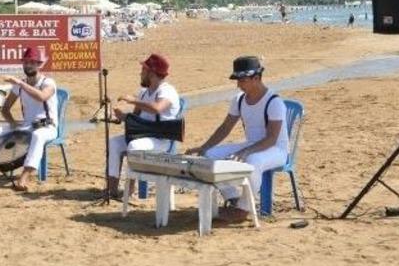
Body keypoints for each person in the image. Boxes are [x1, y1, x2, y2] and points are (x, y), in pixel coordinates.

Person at [185, 56, 288, 220]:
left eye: (243, 80)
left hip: (276, 150)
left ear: (256, 78)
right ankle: (233, 198)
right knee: (209, 155)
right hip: (252, 145)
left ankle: (244, 209)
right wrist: (204, 147)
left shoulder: (274, 102)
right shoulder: (239, 99)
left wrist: (245, 152)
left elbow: (271, 139)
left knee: (254, 160)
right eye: (238, 80)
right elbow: (225, 127)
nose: (239, 85)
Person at [0, 47, 58, 192]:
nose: (28, 65)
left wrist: (21, 83)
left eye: (32, 62)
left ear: (39, 64)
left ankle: (24, 177)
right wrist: (13, 124)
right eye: (26, 62)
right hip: (27, 126)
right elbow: (5, 109)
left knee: (38, 135)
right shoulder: (19, 85)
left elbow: (42, 96)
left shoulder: (48, 82)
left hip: (47, 127)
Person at [106, 53, 180, 197]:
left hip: (160, 139)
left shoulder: (167, 91)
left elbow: (157, 108)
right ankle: (112, 190)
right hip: (142, 134)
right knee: (114, 143)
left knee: (134, 146)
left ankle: (129, 190)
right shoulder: (144, 93)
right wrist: (122, 116)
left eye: (143, 70)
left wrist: (133, 100)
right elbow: (136, 119)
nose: (140, 74)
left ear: (152, 73)